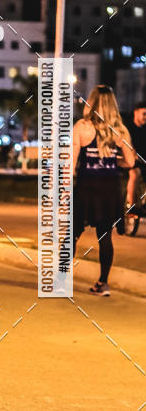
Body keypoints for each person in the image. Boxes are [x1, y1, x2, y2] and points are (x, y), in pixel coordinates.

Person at [72, 85, 135, 295]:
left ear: (92, 101)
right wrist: (111, 160)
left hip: (86, 186)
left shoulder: (82, 126)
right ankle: (103, 283)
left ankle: (62, 277)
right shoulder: (121, 130)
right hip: (110, 189)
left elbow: (69, 163)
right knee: (105, 235)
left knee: (73, 232)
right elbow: (130, 161)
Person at [126, 99, 146, 218]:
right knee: (135, 173)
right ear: (136, 112)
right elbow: (127, 143)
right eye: (144, 114)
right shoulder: (128, 126)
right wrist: (133, 153)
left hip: (143, 160)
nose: (145, 117)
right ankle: (132, 207)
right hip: (129, 160)